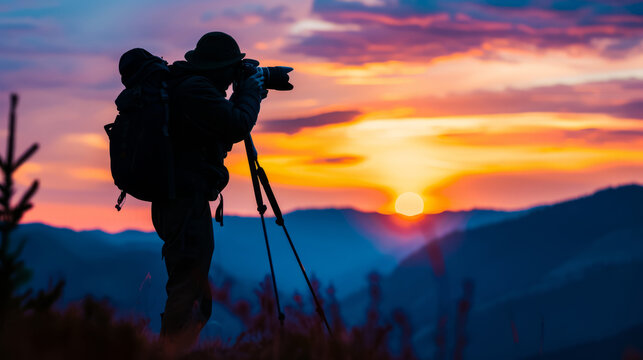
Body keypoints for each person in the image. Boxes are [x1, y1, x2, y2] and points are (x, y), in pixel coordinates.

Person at [151, 31, 265, 350]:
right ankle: (169, 352)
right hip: (184, 204)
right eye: (232, 69)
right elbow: (238, 124)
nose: (232, 78)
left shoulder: (190, 88)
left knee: (191, 292)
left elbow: (219, 131)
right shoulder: (195, 89)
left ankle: (171, 349)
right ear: (219, 68)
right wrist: (251, 89)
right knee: (189, 293)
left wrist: (247, 88)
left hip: (180, 201)